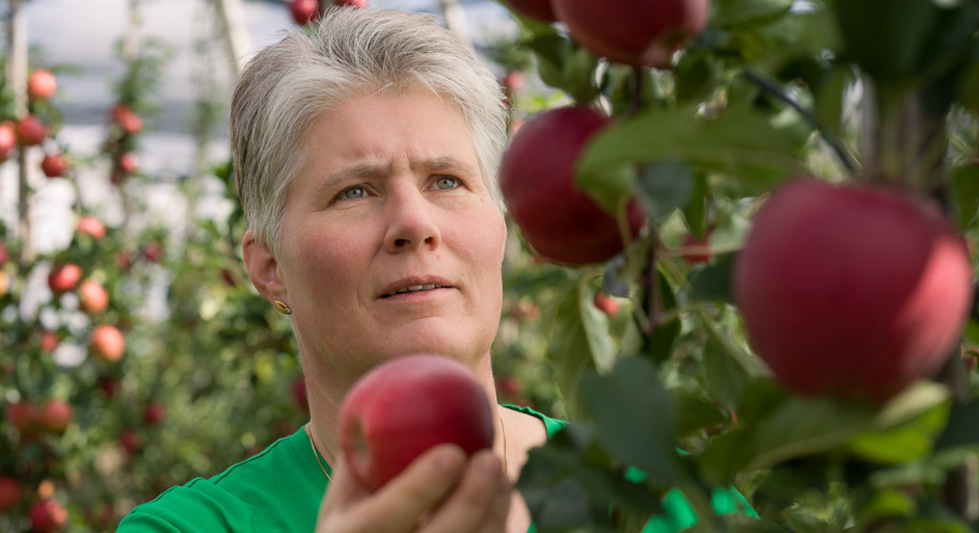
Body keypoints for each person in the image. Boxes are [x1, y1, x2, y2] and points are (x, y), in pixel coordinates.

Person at [117, 7, 752, 533]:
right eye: (355, 191)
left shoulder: (665, 504)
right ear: (269, 267)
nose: (413, 222)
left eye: (446, 180)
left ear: (503, 225)